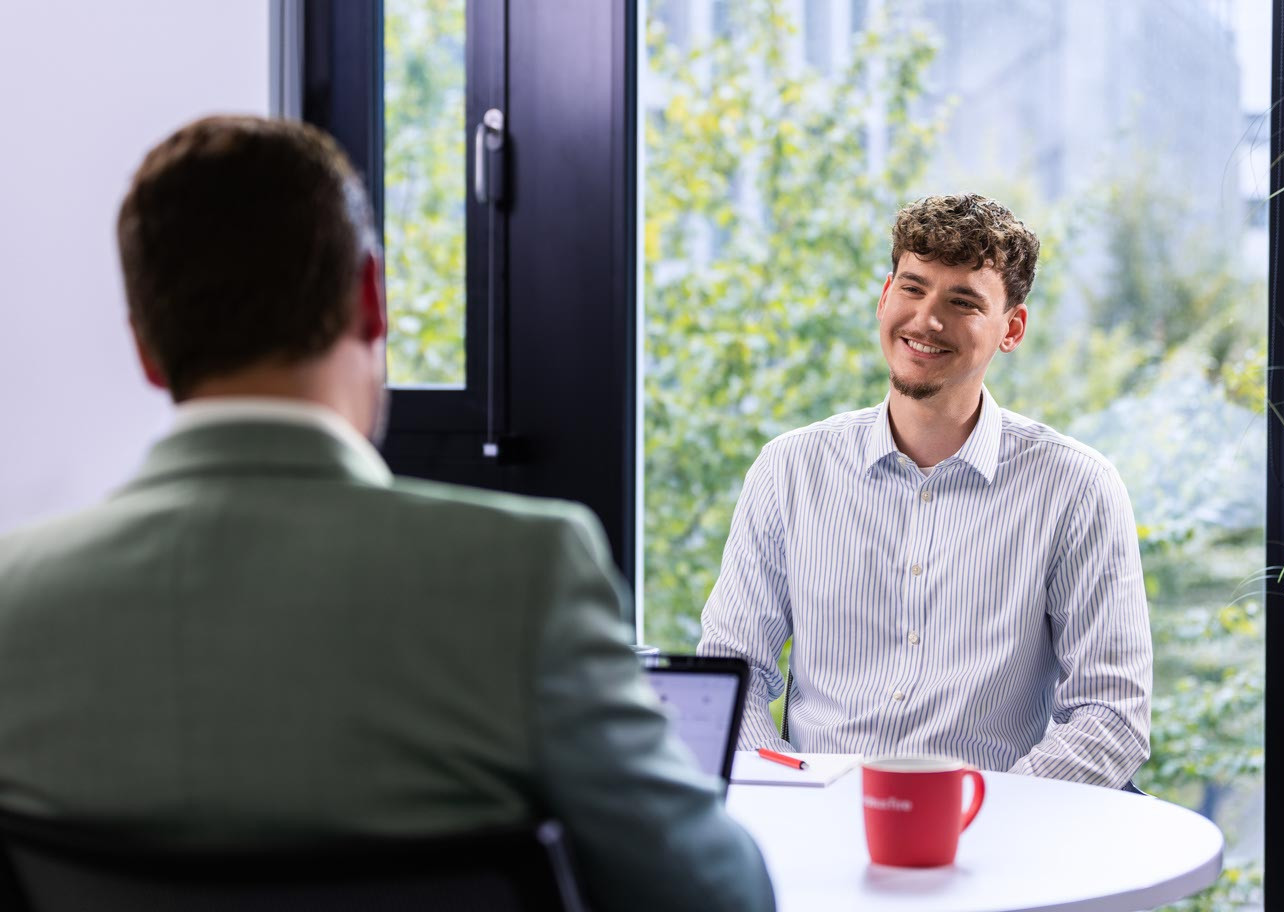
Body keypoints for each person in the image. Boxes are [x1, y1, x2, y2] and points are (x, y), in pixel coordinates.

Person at [0, 116, 774, 912]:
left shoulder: (12, 598)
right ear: (371, 297)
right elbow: (715, 896)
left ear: (146, 349)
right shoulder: (523, 578)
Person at [698, 194, 1152, 789]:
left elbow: (1110, 714)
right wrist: (791, 792)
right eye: (913, 288)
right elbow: (728, 680)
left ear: (1011, 328)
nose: (926, 320)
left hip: (997, 841)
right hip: (818, 825)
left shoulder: (1076, 488)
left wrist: (987, 812)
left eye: (962, 301)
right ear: (885, 296)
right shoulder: (789, 471)